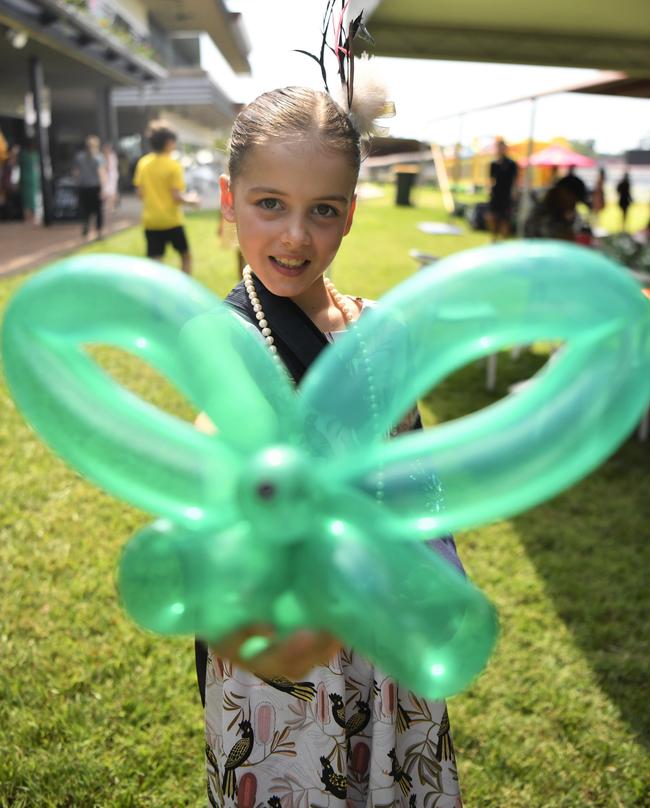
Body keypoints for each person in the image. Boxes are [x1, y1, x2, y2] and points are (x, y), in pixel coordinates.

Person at [194, 84, 464, 807]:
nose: (294, 238)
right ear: (229, 197)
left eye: (323, 210)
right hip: (288, 657)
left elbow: (416, 476)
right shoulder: (226, 340)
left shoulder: (377, 326)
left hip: (384, 633)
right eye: (269, 204)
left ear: (350, 210)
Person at [133, 121, 199, 274]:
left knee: (155, 263)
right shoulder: (173, 165)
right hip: (171, 221)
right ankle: (184, 289)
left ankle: (156, 294)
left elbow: (139, 193)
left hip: (151, 221)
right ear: (169, 142)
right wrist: (193, 200)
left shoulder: (143, 163)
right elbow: (177, 196)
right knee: (186, 256)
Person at [73, 135, 105, 239]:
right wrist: (103, 189)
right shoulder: (99, 157)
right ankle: (99, 233)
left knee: (85, 210)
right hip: (95, 187)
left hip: (83, 187)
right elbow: (101, 173)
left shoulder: (79, 157)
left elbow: (76, 173)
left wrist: (78, 182)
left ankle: (85, 226)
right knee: (98, 211)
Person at [486, 138, 517, 239]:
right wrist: (489, 189)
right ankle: (493, 238)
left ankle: (503, 238)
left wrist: (514, 193)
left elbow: (515, 180)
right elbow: (491, 179)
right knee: (492, 217)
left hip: (506, 195)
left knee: (505, 219)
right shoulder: (493, 164)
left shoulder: (512, 164)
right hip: (496, 194)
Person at [101, 142, 119, 213]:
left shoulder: (111, 156)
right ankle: (108, 206)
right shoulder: (107, 156)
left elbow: (107, 167)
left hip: (111, 176)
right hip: (108, 175)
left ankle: (112, 206)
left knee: (111, 192)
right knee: (108, 192)